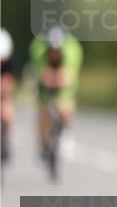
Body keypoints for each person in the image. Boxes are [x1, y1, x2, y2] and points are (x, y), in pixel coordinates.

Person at [29, 27, 83, 160]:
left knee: (65, 107)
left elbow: (70, 77)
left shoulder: (72, 50)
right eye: (51, 49)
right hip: (45, 87)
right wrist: (48, 78)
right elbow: (40, 74)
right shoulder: (38, 49)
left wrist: (56, 79)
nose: (54, 52)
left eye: (57, 50)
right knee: (43, 113)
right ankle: (42, 142)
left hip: (64, 87)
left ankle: (66, 132)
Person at [1, 28, 16, 165]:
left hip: (2, 94)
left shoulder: (8, 63)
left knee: (7, 113)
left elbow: (9, 83)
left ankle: (7, 140)